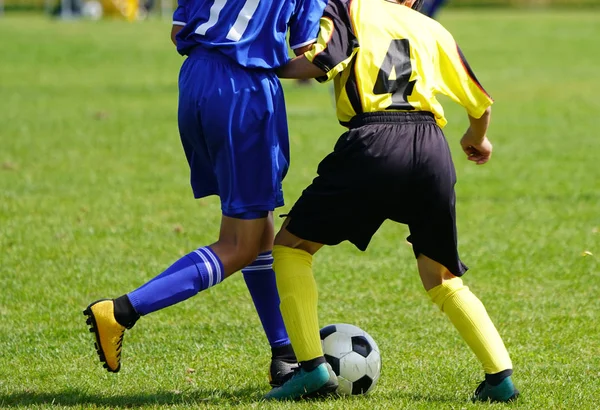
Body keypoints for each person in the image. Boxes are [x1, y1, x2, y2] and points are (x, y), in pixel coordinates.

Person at [265, 0, 519, 402]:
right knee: (442, 277)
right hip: (432, 148)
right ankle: (500, 377)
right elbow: (479, 101)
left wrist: (263, 65)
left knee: (291, 246)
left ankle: (312, 370)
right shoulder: (430, 28)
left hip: (374, 140)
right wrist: (475, 138)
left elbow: (322, 59)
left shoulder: (349, 8)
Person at [83, 0, 326, 389]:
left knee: (259, 230)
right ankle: (121, 311)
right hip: (243, 90)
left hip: (195, 80)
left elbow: (178, 31)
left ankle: (283, 353)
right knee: (240, 244)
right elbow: (314, 55)